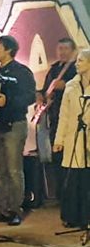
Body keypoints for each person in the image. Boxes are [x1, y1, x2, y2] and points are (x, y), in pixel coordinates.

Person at [0, 35, 36, 226]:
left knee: (14, 170)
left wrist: (8, 101)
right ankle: (1, 209)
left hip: (14, 125)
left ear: (9, 50)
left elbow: (30, 97)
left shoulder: (22, 72)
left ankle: (15, 210)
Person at [52, 48, 90, 230]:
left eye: (81, 60)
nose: (77, 64)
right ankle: (72, 216)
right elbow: (64, 116)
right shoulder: (71, 86)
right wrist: (59, 140)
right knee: (74, 178)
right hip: (74, 138)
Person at [43, 37, 77, 200]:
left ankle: (72, 194)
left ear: (73, 51)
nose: (62, 52)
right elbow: (45, 90)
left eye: (65, 49)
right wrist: (40, 98)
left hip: (71, 121)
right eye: (60, 48)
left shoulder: (76, 69)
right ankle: (61, 195)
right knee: (57, 157)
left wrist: (66, 85)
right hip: (55, 119)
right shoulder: (54, 69)